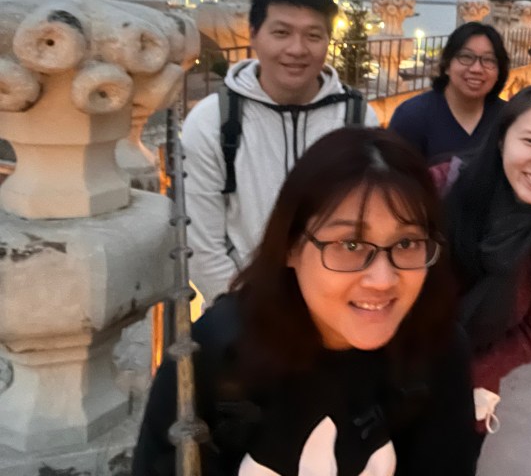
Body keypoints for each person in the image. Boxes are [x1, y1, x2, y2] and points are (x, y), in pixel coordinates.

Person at [134, 128, 478, 475]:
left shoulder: (438, 351)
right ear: (290, 246)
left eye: (406, 244)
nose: (383, 280)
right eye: (350, 245)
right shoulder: (214, 354)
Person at [182, 0, 378, 304]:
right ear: (254, 35)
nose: (297, 49)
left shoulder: (357, 119)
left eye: (313, 35)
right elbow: (202, 246)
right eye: (281, 33)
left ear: (328, 40)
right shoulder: (214, 121)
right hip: (246, 307)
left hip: (337, 305)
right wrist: (247, 311)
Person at [433, 84, 531, 438]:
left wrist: (462, 375)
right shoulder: (441, 188)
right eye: (530, 141)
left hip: (466, 388)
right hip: (387, 365)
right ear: (502, 140)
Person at [388, 21, 510, 163]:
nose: (476, 69)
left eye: (488, 60)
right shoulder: (412, 117)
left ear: (499, 72)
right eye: (466, 57)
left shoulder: (508, 119)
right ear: (447, 65)